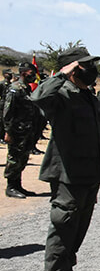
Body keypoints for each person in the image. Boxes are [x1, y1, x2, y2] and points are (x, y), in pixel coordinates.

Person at [30, 46, 100, 271]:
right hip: (67, 175)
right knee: (63, 225)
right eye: (85, 66)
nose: (92, 71)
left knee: (78, 227)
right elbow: (38, 98)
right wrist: (60, 75)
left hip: (89, 173)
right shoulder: (61, 94)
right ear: (73, 69)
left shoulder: (87, 95)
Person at [3, 62, 40, 198]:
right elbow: (7, 112)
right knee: (14, 158)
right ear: (24, 73)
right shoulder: (15, 88)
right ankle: (10, 187)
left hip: (26, 131)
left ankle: (18, 186)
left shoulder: (26, 89)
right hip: (16, 131)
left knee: (22, 158)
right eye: (32, 73)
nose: (34, 76)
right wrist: (7, 131)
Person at [0, 68, 12, 144]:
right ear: (4, 75)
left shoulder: (11, 84)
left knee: (6, 121)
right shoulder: (1, 84)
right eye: (8, 74)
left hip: (8, 105)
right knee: (1, 122)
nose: (10, 75)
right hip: (2, 105)